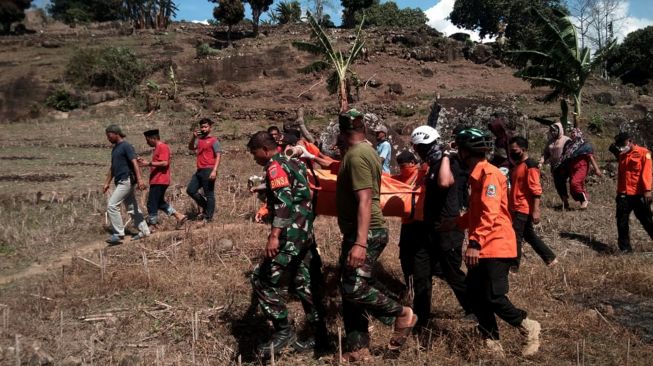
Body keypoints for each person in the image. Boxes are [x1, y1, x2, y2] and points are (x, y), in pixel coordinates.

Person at [336, 109, 416, 362]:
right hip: (359, 231)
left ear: (341, 132)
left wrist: (360, 242)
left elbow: (365, 199)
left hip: (366, 232)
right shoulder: (366, 150)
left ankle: (401, 313)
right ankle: (357, 347)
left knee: (354, 287)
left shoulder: (358, 155)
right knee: (349, 288)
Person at [456, 128, 541, 357]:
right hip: (484, 245)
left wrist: (474, 242)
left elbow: (490, 212)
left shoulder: (490, 175)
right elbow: (476, 212)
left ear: (465, 152)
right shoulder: (476, 177)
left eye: (459, 150)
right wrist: (453, 223)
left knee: (493, 296)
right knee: (475, 295)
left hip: (495, 245)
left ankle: (527, 326)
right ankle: (491, 342)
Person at [247, 131, 328, 358]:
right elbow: (305, 192)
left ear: (264, 149)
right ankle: (321, 337)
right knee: (304, 283)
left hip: (289, 235)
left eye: (255, 154)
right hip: (304, 233)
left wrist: (274, 235)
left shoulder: (274, 167)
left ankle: (283, 331)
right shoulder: (293, 161)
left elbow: (284, 201)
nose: (255, 159)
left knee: (261, 280)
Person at [406, 126, 473, 328]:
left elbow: (445, 183)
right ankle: (421, 317)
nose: (418, 152)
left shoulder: (449, 162)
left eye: (419, 148)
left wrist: (445, 154)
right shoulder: (431, 164)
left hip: (448, 229)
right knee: (421, 274)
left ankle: (475, 309)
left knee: (453, 274)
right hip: (429, 229)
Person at [508, 136, 557, 267]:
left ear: (523, 149)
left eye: (514, 149)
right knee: (528, 235)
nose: (512, 152)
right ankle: (550, 258)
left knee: (515, 237)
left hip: (522, 208)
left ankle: (513, 266)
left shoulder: (531, 166)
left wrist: (536, 210)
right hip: (517, 207)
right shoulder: (519, 165)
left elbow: (536, 190)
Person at [103, 124, 150, 245]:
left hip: (126, 180)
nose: (108, 138)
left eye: (109, 136)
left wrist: (139, 179)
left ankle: (118, 233)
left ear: (116, 133)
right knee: (131, 207)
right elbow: (112, 168)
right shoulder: (115, 149)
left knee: (112, 205)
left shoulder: (126, 146)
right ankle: (144, 231)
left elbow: (134, 162)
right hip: (121, 181)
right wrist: (107, 183)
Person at [611, 132, 653, 253]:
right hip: (623, 194)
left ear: (629, 140)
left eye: (622, 143)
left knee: (647, 220)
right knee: (621, 222)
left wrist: (647, 191)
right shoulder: (622, 155)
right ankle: (625, 249)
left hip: (639, 194)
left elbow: (647, 173)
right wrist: (619, 193)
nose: (621, 146)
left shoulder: (644, 153)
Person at [137, 129, 187, 232]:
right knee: (159, 203)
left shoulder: (162, 147)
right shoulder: (157, 148)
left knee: (151, 203)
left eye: (147, 140)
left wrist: (148, 163)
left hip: (160, 179)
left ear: (153, 138)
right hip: (158, 179)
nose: (147, 142)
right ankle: (179, 216)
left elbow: (164, 163)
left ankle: (153, 224)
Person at [186, 118, 221, 222]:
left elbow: (218, 156)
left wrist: (214, 170)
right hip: (199, 170)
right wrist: (193, 137)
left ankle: (208, 217)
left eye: (206, 127)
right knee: (190, 190)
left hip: (209, 169)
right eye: (202, 127)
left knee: (209, 193)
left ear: (210, 128)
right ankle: (207, 207)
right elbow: (191, 147)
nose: (204, 129)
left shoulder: (214, 140)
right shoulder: (200, 140)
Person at [558, 128, 603, 209]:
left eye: (574, 133)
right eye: (571, 133)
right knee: (573, 189)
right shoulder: (569, 145)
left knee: (575, 183)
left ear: (579, 133)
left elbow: (591, 157)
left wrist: (597, 169)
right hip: (572, 168)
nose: (572, 134)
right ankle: (582, 202)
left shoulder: (584, 144)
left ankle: (585, 200)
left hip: (582, 167)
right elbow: (565, 157)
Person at [540, 122, 571, 209]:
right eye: (552, 131)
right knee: (557, 184)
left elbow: (570, 152)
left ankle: (566, 201)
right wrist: (541, 161)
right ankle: (564, 201)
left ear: (560, 130)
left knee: (561, 182)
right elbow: (546, 153)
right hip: (554, 166)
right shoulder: (550, 141)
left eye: (555, 130)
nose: (553, 132)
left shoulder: (566, 140)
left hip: (564, 165)